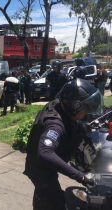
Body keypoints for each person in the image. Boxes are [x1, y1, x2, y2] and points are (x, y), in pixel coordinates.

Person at [23, 78, 103, 210]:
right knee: (54, 202)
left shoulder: (61, 104)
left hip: (42, 168)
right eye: (86, 108)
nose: (88, 112)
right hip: (42, 171)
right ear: (75, 107)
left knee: (42, 196)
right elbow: (45, 153)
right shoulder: (55, 125)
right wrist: (80, 177)